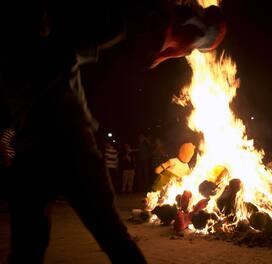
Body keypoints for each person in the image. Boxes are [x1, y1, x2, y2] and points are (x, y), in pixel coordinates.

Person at [0, 1, 225, 263]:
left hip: (33, 154)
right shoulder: (57, 48)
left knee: (28, 247)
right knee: (111, 235)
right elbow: (113, 33)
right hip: (73, 148)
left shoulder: (10, 60)